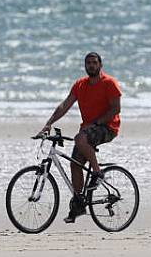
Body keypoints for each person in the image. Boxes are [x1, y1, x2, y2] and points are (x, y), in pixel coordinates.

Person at [38, 52, 122, 223]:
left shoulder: (109, 83)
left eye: (94, 63)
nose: (91, 65)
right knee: (75, 164)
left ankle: (98, 173)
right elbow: (64, 105)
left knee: (79, 139)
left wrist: (97, 122)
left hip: (107, 127)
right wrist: (49, 123)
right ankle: (79, 204)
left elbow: (116, 108)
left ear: (100, 65)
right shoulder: (80, 85)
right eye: (88, 63)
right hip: (87, 129)